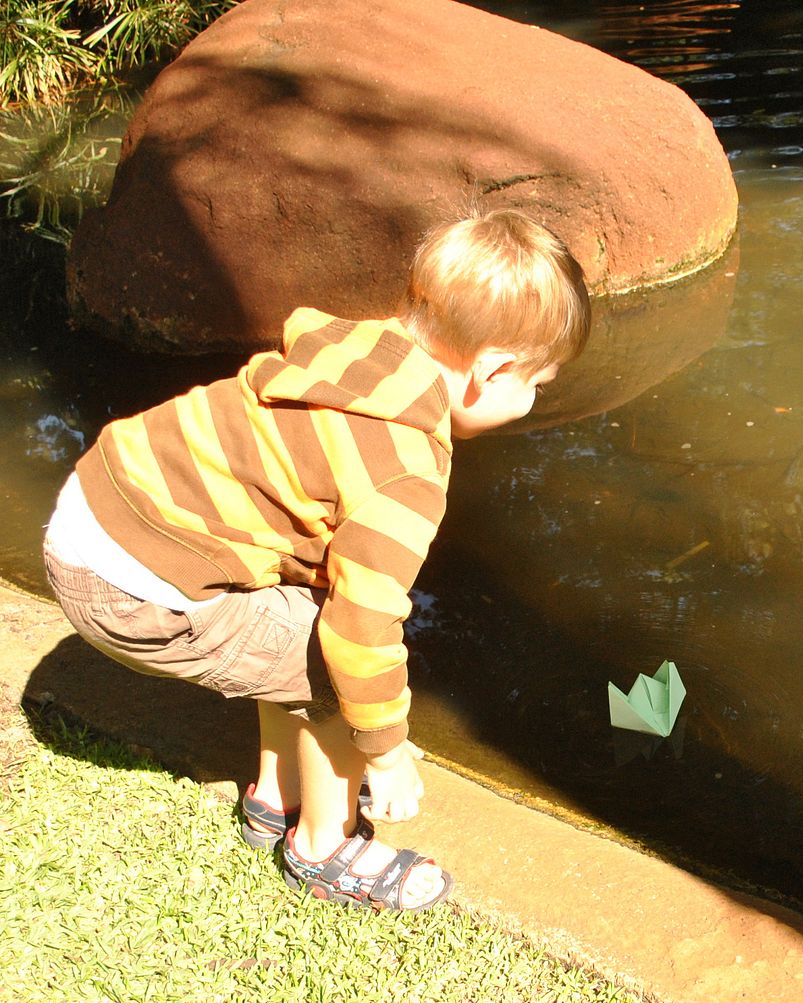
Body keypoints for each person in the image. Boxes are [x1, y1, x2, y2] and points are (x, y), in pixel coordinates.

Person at [41, 208, 591, 912]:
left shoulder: (354, 351)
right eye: (538, 384)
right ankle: (322, 848)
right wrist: (384, 748)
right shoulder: (405, 472)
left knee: (302, 614)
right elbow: (360, 630)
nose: (535, 399)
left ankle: (276, 796)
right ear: (493, 369)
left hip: (97, 511)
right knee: (340, 667)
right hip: (130, 588)